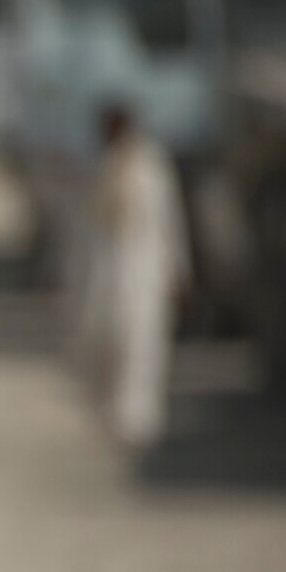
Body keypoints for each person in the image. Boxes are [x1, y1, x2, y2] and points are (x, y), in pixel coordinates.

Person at [78, 102, 189, 449]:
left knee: (144, 346)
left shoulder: (151, 167)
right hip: (108, 273)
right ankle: (112, 413)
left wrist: (176, 269)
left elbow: (169, 222)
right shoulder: (103, 165)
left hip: (145, 270)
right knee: (107, 342)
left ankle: (139, 420)